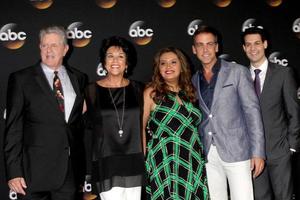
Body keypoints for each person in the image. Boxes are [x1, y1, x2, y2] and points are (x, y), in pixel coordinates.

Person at [4, 25, 88, 200]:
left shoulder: (79, 78)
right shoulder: (21, 79)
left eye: (54, 45)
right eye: (44, 45)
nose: (48, 50)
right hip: (32, 174)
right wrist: (13, 171)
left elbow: (76, 123)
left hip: (68, 173)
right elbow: (13, 128)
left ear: (65, 49)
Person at [191, 25, 265, 200]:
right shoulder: (193, 79)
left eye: (209, 44)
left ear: (217, 47)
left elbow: (252, 112)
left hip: (237, 150)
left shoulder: (237, 72)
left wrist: (258, 152)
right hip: (208, 152)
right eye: (200, 45)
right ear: (194, 49)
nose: (205, 49)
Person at [143, 47, 209, 200]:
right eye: (163, 63)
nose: (168, 67)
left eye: (173, 62)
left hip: (191, 156)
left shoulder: (190, 91)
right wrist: (143, 157)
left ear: (181, 66)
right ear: (157, 68)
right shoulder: (151, 92)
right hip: (164, 157)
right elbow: (140, 127)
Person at [242, 27, 300, 200]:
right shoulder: (240, 76)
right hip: (252, 155)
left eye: (257, 43)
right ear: (244, 48)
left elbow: (294, 112)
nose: (253, 48)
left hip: (280, 152)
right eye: (248, 44)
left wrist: (291, 146)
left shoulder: (283, 73)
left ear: (265, 44)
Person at [84, 36, 145, 200]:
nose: (115, 60)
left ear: (127, 63)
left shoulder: (139, 89)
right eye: (110, 56)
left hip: (135, 161)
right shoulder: (91, 91)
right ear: (104, 62)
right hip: (107, 161)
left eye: (120, 56)